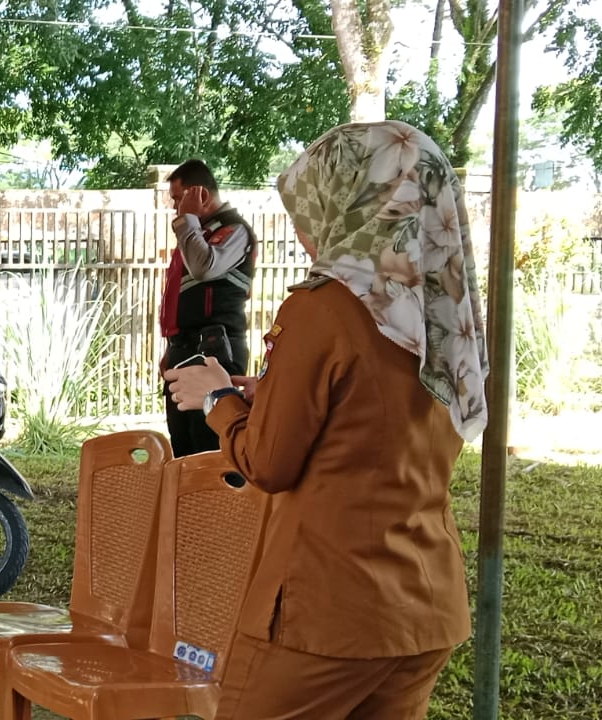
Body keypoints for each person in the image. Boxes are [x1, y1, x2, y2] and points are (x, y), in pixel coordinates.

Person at [165, 121, 484, 719]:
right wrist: (276, 391)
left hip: (329, 611)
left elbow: (268, 462)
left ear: (357, 201)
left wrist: (217, 399)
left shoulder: (324, 308)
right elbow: (381, 421)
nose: (308, 230)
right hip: (425, 607)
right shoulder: (441, 314)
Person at [159, 159, 257, 457]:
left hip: (215, 350)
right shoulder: (195, 235)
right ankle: (188, 505)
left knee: (210, 447)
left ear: (199, 193)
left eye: (178, 199)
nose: (176, 209)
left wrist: (187, 220)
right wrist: (172, 347)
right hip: (184, 348)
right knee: (183, 446)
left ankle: (219, 506)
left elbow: (205, 268)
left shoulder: (234, 229)